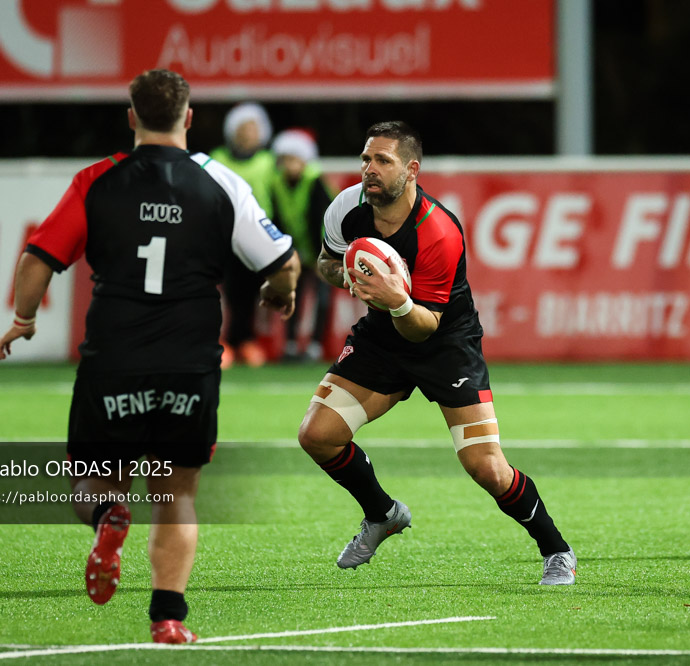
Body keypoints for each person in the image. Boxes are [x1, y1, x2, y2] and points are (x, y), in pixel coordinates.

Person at [0, 69, 299, 643]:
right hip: (190, 360)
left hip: (113, 356)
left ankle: (110, 520)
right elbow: (280, 261)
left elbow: (39, 257)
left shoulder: (97, 181)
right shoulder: (220, 182)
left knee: (95, 483)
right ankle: (168, 618)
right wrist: (278, 294)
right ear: (189, 119)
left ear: (131, 118)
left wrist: (24, 318)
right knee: (176, 492)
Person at [297, 121, 576, 584]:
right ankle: (382, 514)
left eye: (382, 161)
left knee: (486, 467)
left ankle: (556, 549)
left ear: (411, 170)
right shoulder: (346, 208)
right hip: (382, 335)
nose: (370, 169)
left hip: (444, 341)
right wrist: (351, 275)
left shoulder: (439, 231)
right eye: (366, 158)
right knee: (317, 435)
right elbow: (327, 262)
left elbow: (423, 326)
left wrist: (396, 298)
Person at [211, 102, 277, 368]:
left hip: (260, 236)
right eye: (244, 128)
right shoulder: (217, 158)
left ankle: (247, 341)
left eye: (254, 128)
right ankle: (225, 342)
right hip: (226, 235)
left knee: (254, 292)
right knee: (228, 291)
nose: (249, 133)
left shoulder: (268, 162)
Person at [270, 128, 335, 362]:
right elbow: (276, 218)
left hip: (320, 249)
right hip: (295, 249)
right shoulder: (276, 183)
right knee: (290, 294)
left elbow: (324, 219)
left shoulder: (315, 181)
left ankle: (315, 345)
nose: (289, 164)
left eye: (294, 159)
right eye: (285, 159)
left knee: (322, 297)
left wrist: (325, 254)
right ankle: (289, 344)